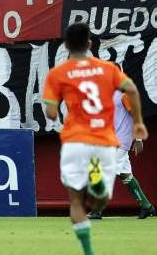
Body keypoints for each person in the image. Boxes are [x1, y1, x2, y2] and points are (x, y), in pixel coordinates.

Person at [42, 23, 148, 255]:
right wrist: (139, 123)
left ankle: (88, 248)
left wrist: (56, 105)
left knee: (77, 201)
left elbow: (50, 112)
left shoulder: (57, 74)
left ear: (67, 46)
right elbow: (132, 88)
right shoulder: (107, 70)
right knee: (102, 194)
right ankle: (100, 198)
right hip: (104, 140)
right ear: (89, 44)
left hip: (75, 141)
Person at [88, 83, 155, 219]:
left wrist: (138, 138)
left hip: (120, 141)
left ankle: (97, 209)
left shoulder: (124, 95)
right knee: (125, 175)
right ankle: (147, 206)